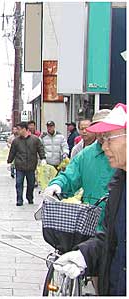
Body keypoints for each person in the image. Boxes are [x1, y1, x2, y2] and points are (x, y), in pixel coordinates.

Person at [53, 103, 126, 296]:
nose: (105, 144)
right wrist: (83, 255)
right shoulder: (118, 182)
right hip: (94, 226)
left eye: (109, 137)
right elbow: (112, 239)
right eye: (103, 137)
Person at [43, 110, 114, 230]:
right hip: (93, 225)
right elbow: (70, 176)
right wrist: (57, 185)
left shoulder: (122, 152)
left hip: (119, 225)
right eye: (99, 128)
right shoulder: (86, 155)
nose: (103, 133)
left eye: (107, 128)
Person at [7, 122, 46, 206]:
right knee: (18, 183)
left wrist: (43, 158)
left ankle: (30, 197)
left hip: (31, 166)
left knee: (31, 184)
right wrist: (9, 162)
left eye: (19, 129)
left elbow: (40, 149)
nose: (18, 131)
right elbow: (12, 152)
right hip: (19, 166)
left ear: (25, 129)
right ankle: (19, 200)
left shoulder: (35, 139)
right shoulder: (16, 141)